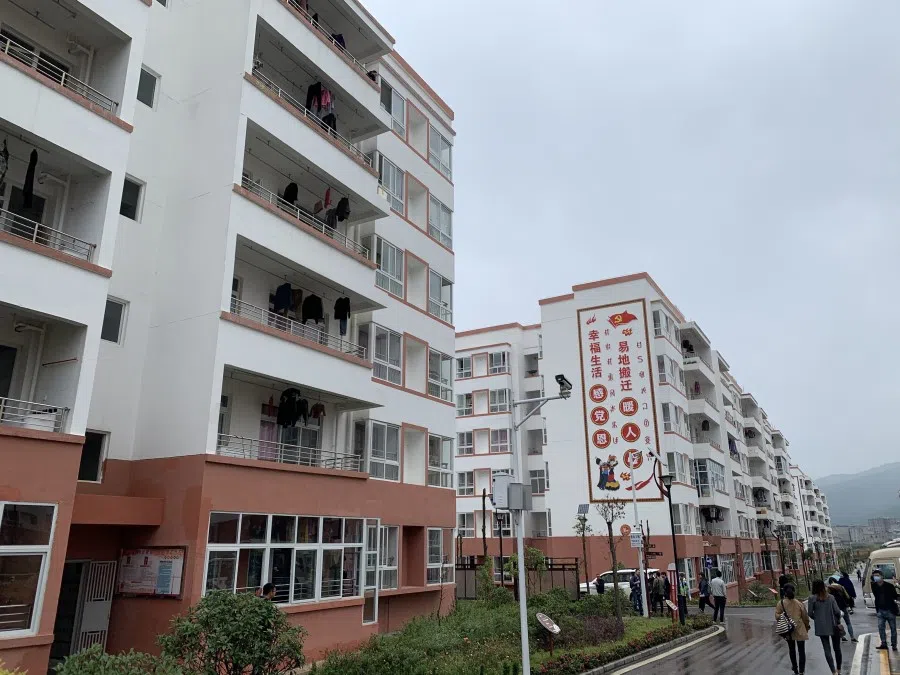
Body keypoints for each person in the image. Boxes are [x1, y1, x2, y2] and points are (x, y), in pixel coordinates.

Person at [808, 579, 843, 675]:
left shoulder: (812, 598)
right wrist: (838, 618)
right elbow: (837, 611)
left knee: (827, 649)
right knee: (837, 648)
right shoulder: (830, 597)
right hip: (834, 625)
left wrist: (817, 618)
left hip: (821, 627)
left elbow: (810, 613)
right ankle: (839, 669)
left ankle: (833, 671)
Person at [776, 584, 810, 675]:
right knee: (801, 651)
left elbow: (777, 616)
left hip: (788, 630)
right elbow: (805, 617)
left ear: (784, 592)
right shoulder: (799, 603)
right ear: (793, 591)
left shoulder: (781, 603)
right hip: (800, 629)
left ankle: (795, 669)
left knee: (792, 650)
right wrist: (807, 627)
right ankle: (801, 671)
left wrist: (782, 616)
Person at [871, 571, 898, 651]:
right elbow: (876, 595)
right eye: (874, 576)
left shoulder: (889, 586)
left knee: (893, 628)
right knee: (880, 627)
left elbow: (895, 596)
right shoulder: (874, 585)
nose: (875, 577)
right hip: (880, 610)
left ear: (882, 576)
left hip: (890, 610)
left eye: (877, 575)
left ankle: (894, 645)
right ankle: (883, 643)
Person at [827, 576, 856, 642]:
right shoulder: (841, 587)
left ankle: (842, 637)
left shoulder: (828, 589)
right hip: (843, 606)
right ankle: (852, 637)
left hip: (834, 608)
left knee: (838, 623)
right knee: (848, 622)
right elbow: (847, 596)